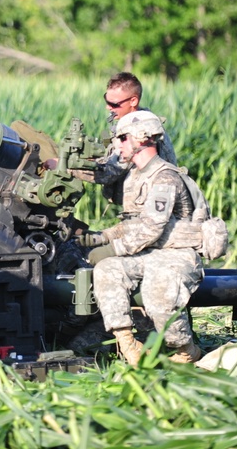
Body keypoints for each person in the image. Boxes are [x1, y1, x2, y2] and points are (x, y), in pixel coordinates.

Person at [84, 111, 203, 366]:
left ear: (143, 138)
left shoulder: (165, 177)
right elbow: (131, 223)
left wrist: (113, 248)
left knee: (157, 291)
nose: (118, 145)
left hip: (176, 253)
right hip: (148, 252)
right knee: (107, 270)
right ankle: (129, 345)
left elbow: (151, 228)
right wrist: (99, 238)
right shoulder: (136, 176)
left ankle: (186, 350)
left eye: (123, 138)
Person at [90, 72, 177, 205]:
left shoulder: (140, 130)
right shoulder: (133, 123)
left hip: (151, 208)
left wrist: (67, 166)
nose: (108, 107)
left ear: (133, 101)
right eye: (106, 100)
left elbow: (109, 173)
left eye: (113, 104)